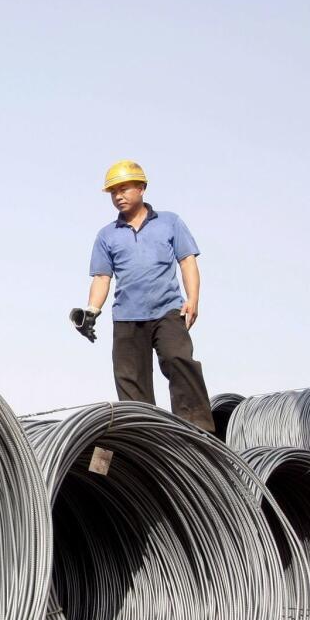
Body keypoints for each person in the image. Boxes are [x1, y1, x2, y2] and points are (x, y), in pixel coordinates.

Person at [71, 160, 216, 432]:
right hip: (126, 317)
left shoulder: (170, 222)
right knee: (130, 381)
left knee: (179, 361)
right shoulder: (106, 235)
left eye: (124, 189)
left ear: (142, 188)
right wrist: (91, 311)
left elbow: (187, 261)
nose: (118, 196)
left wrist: (193, 299)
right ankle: (145, 437)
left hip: (168, 312)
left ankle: (198, 432)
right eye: (113, 192)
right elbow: (102, 277)